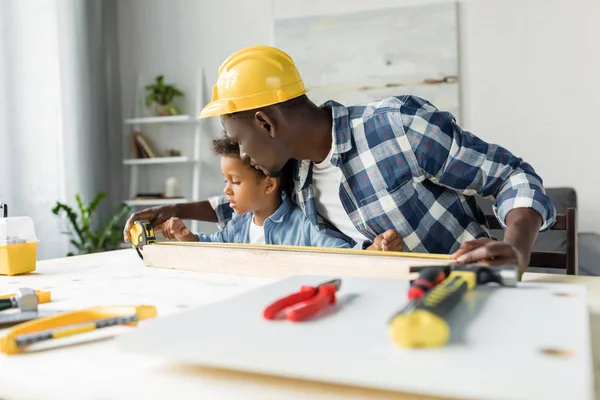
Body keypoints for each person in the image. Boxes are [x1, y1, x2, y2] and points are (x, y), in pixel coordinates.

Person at [124, 45, 555, 276]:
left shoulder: (396, 128)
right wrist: (172, 210)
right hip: (378, 305)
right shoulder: (293, 170)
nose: (245, 156)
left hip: (467, 290)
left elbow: (512, 177)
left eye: (241, 140)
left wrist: (516, 248)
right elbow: (244, 200)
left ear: (266, 123)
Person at [151, 134, 403, 251]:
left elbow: (338, 253)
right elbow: (214, 247)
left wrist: (375, 249)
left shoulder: (303, 224)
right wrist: (187, 237)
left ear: (269, 185)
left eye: (235, 182)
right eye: (225, 181)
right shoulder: (238, 225)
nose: (226, 190)